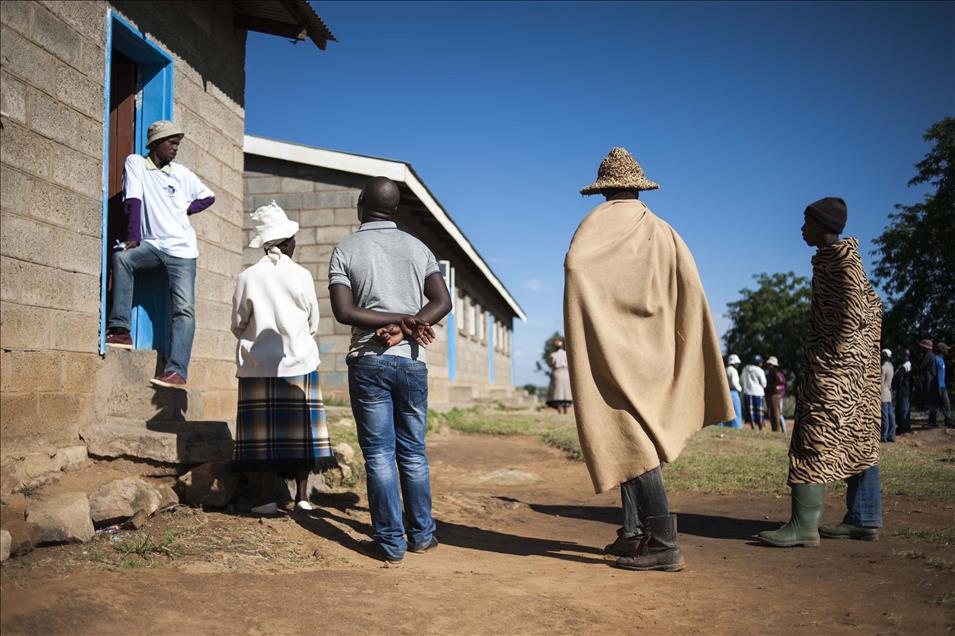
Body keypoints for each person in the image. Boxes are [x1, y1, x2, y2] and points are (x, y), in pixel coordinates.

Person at [564, 147, 734, 572]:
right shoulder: (664, 230)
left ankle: (663, 543)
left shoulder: (595, 226)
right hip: (656, 351)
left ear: (604, 189)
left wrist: (603, 318)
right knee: (630, 435)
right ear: (638, 186)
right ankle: (634, 532)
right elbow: (691, 290)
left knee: (628, 435)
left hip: (612, 346)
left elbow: (577, 268)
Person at [328, 176, 452, 565]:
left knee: (380, 455)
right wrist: (407, 321)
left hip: (368, 360)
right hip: (412, 363)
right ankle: (422, 536)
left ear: (362, 203)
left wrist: (397, 322)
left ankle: (389, 543)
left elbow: (344, 312)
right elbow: (442, 300)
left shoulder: (346, 249)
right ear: (395, 208)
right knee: (413, 453)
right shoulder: (419, 248)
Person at [758, 197, 883, 547]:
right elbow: (874, 308)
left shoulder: (841, 264)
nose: (801, 229)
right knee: (861, 438)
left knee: (813, 437)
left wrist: (833, 360)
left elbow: (858, 314)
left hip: (836, 372)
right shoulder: (841, 260)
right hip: (856, 373)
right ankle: (864, 517)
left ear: (823, 225)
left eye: (806, 223)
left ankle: (804, 527)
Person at [230, 202, 336, 512]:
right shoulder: (302, 275)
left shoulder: (247, 276)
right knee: (300, 432)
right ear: (287, 242)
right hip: (299, 362)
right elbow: (313, 322)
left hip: (256, 366)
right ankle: (302, 496)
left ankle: (266, 499)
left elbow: (238, 323)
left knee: (262, 436)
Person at [105, 120, 215, 388]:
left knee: (184, 310)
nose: (176, 148)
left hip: (183, 250)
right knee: (122, 257)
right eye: (171, 143)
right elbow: (133, 199)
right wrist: (132, 237)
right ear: (155, 144)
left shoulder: (181, 174)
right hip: (153, 245)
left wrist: (185, 209)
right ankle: (120, 330)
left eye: (178, 143)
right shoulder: (137, 164)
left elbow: (208, 196)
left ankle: (176, 371)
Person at [913, 339, 939, 425]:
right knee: (932, 402)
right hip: (931, 380)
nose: (921, 348)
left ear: (925, 348)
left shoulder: (928, 355)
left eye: (922, 347)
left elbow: (921, 366)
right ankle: (932, 421)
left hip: (929, 380)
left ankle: (932, 421)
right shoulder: (931, 355)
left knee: (931, 401)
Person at [545, 338, 573, 414]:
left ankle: (560, 411)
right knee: (566, 392)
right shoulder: (566, 354)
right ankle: (566, 411)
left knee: (558, 393)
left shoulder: (553, 355)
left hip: (557, 372)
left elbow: (551, 364)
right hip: (566, 373)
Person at [928, 342, 952, 428]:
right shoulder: (936, 359)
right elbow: (933, 373)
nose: (947, 351)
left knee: (946, 403)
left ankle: (947, 420)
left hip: (943, 385)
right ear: (942, 350)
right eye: (946, 349)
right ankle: (932, 421)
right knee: (935, 404)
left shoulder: (942, 360)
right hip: (937, 385)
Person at [741, 356, 768, 430]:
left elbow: (742, 380)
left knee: (750, 411)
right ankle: (760, 427)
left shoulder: (746, 368)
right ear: (759, 363)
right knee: (759, 411)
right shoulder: (760, 370)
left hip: (748, 392)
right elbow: (764, 384)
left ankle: (752, 426)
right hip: (758, 393)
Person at [765, 356, 787, 433]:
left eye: (770, 364)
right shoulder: (767, 375)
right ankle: (774, 429)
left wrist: (778, 388)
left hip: (777, 396)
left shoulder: (779, 374)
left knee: (778, 413)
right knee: (771, 413)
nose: (768, 366)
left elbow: (783, 385)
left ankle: (783, 430)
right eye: (768, 364)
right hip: (770, 396)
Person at [892, 349, 912, 435]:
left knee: (904, 409)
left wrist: (896, 372)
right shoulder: (904, 364)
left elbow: (899, 374)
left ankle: (903, 427)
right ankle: (903, 426)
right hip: (903, 390)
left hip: (904, 390)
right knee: (902, 409)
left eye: (903, 355)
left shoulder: (906, 365)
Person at [723, 354, 744, 429]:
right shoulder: (733, 370)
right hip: (733, 393)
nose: (738, 365)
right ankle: (736, 427)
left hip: (726, 393)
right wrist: (740, 389)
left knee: (726, 411)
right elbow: (734, 382)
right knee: (736, 412)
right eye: (737, 363)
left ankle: (725, 426)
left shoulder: (725, 369)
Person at [879, 349, 895, 442]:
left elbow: (881, 383)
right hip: (889, 392)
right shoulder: (891, 366)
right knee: (890, 415)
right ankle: (891, 435)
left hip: (883, 393)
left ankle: (884, 435)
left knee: (884, 415)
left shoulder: (883, 367)